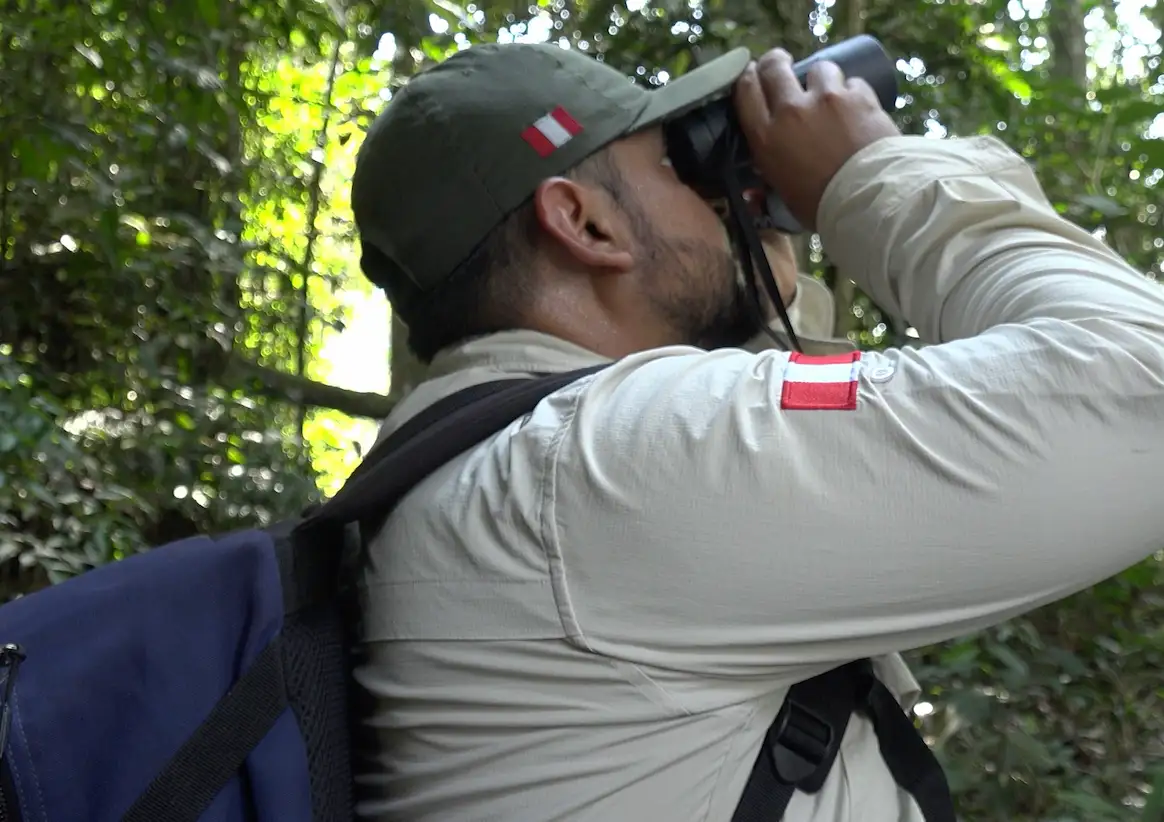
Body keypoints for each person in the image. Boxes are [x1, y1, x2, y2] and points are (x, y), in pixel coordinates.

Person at [347, 41, 1164, 822]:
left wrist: (751, 270)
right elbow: (1142, 387)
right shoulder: (595, 467)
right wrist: (868, 176)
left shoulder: (491, 464)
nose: (721, 188)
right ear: (586, 224)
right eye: (676, 163)